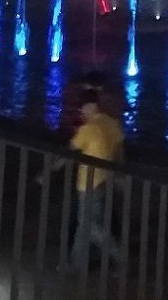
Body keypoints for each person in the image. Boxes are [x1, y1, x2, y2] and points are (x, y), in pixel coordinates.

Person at [67, 90, 125, 268]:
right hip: (105, 179)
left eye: (83, 107)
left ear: (92, 106)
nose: (81, 112)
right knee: (87, 223)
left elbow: (71, 148)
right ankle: (77, 263)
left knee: (89, 226)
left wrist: (50, 170)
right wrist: (118, 175)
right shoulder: (111, 123)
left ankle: (120, 257)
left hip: (87, 182)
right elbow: (119, 151)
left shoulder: (89, 128)